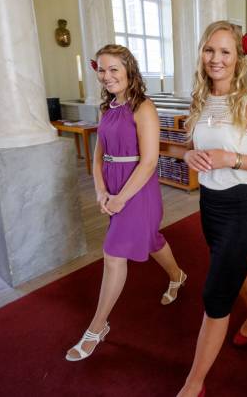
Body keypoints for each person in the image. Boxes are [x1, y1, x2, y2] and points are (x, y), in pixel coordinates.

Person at [178, 21, 247, 397]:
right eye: (210, 50)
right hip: (211, 206)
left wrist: (232, 158)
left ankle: (194, 384)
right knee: (235, 267)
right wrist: (189, 155)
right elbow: (191, 147)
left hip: (244, 209)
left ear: (239, 58)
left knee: (215, 294)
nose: (216, 59)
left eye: (225, 51)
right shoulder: (199, 99)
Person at [65, 45, 187, 362]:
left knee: (113, 254)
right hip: (113, 188)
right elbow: (98, 156)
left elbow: (149, 162)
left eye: (114, 69)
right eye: (102, 70)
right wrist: (100, 191)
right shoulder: (107, 109)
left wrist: (120, 198)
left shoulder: (143, 108)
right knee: (152, 240)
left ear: (129, 70)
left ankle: (97, 327)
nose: (107, 76)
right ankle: (177, 275)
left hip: (138, 191)